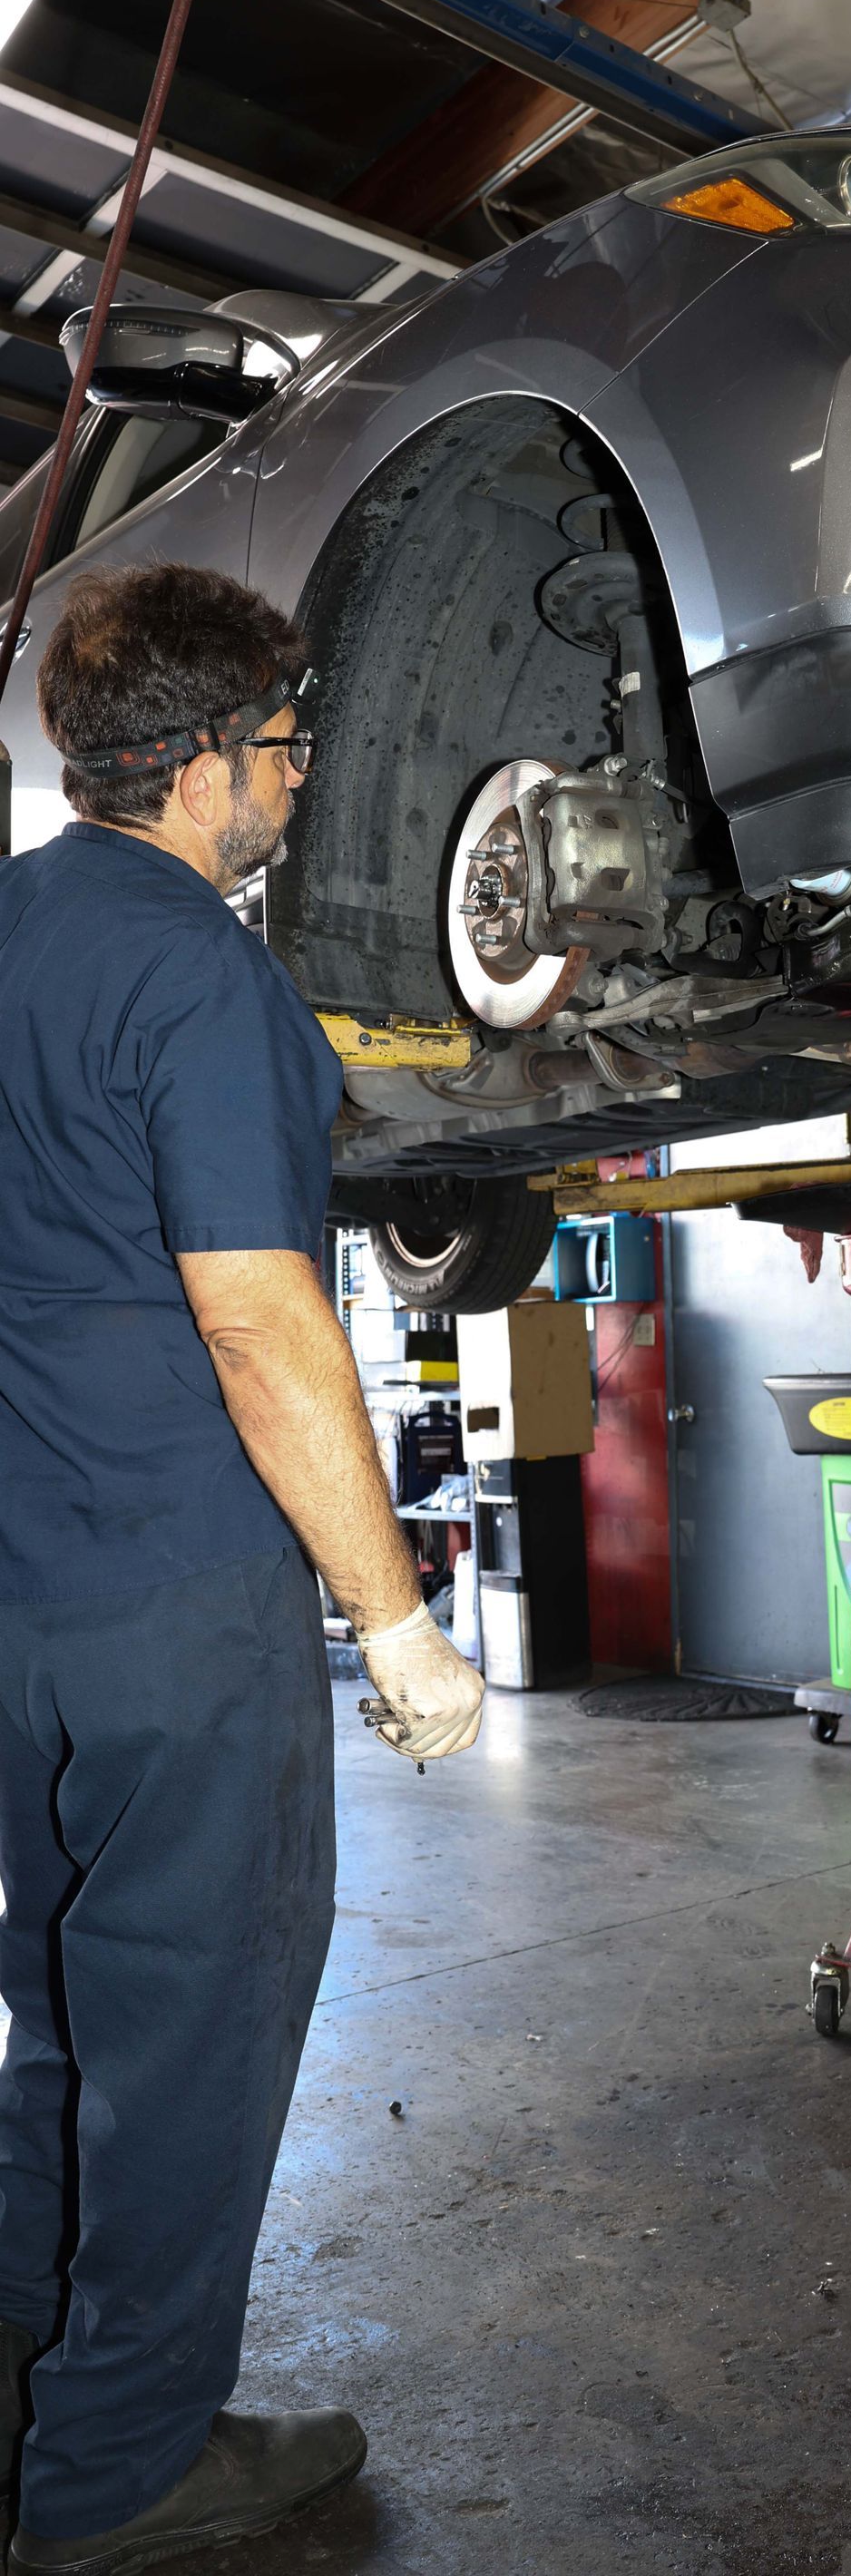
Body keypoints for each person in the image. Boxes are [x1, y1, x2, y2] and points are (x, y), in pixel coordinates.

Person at [0, 562, 484, 2575]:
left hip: (22, 1596)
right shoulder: (199, 973)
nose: (297, 781)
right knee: (193, 2036)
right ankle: (118, 2469)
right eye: (285, 748)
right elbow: (262, 1319)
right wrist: (396, 1620)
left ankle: (34, 2371)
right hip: (178, 1604)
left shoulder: (11, 926)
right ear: (199, 767)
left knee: (63, 2019)